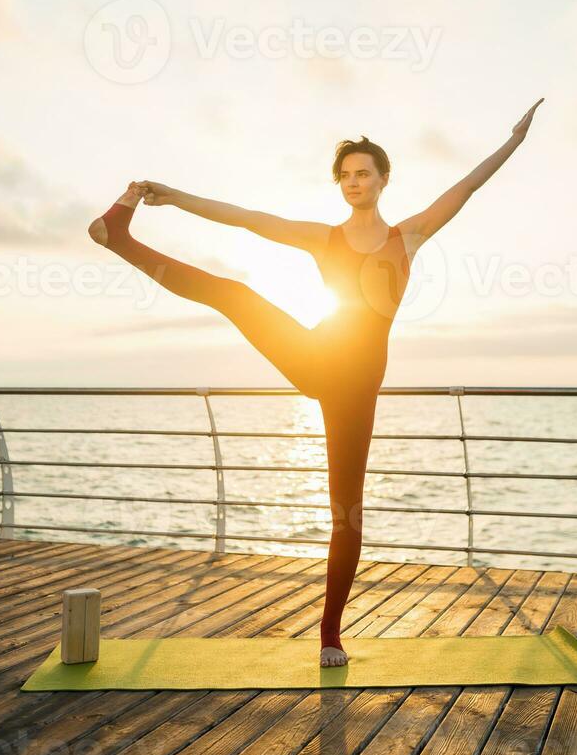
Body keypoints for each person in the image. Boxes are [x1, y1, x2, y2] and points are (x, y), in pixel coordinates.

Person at [88, 98, 544, 667]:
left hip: (356, 390)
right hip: (315, 356)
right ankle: (119, 236)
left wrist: (513, 142)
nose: (354, 183)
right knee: (234, 294)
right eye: (346, 176)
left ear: (383, 180)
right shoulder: (323, 237)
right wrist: (176, 196)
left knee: (347, 511)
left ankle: (329, 632)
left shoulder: (409, 235)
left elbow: (466, 187)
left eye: (363, 174)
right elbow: (246, 218)